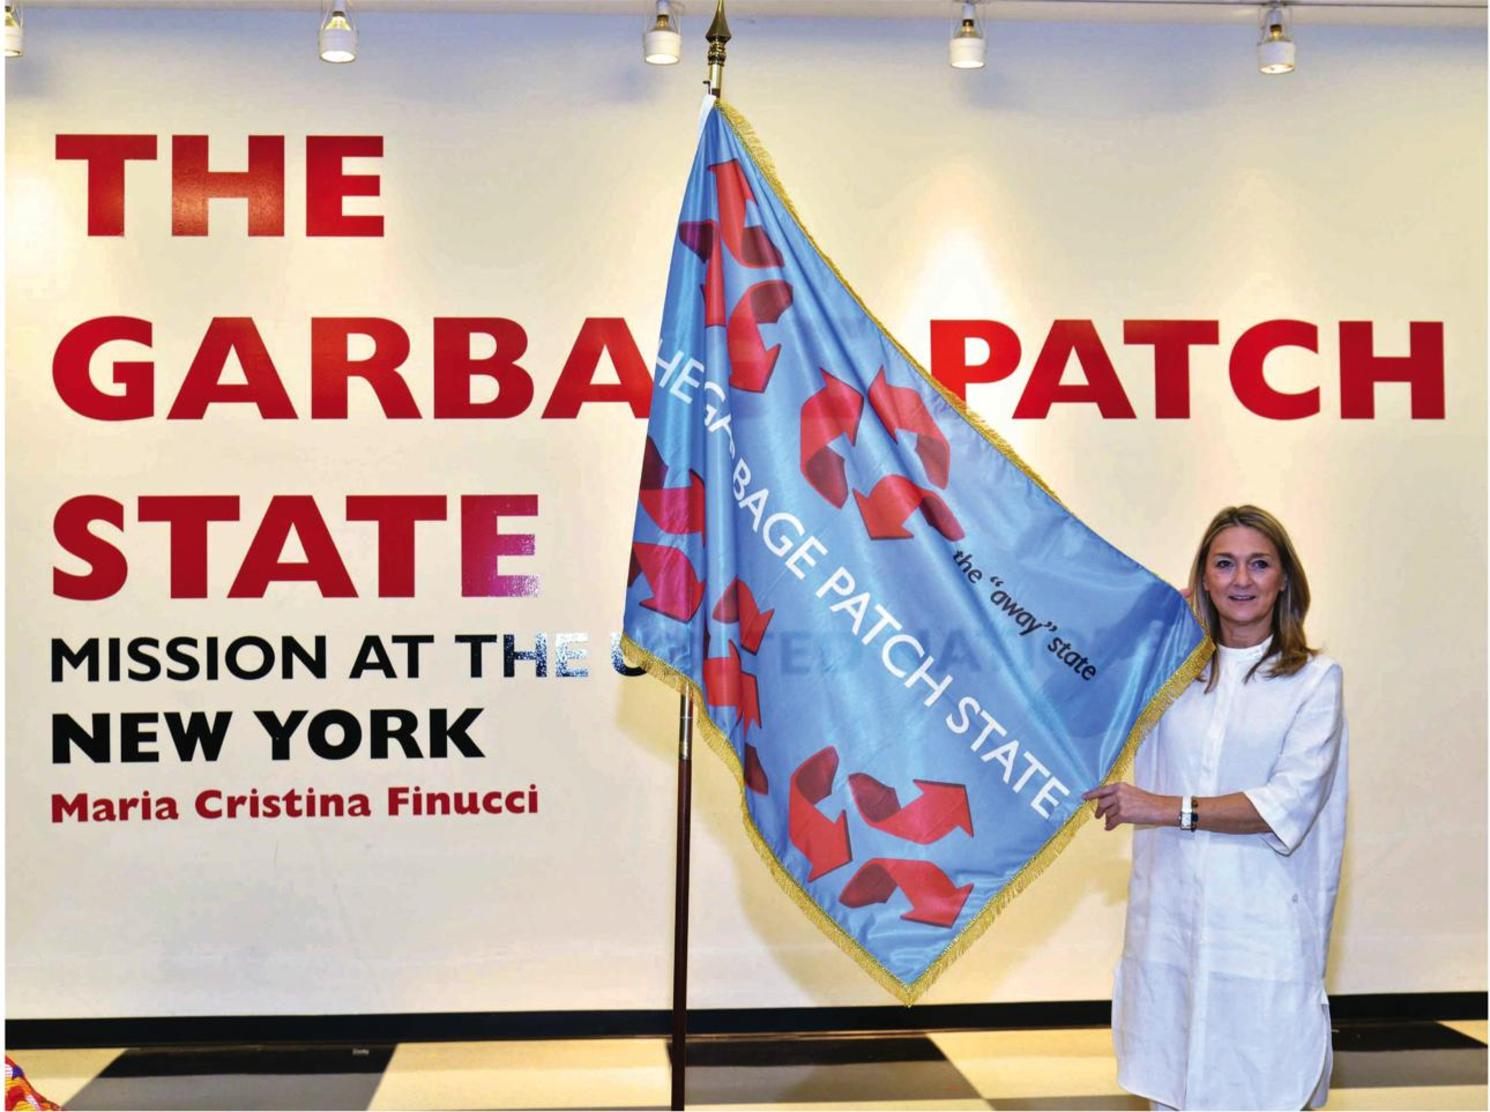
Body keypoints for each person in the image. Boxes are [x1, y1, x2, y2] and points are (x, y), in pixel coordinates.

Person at [1082, 505, 1348, 1111]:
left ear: (1285, 579)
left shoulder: (1314, 680)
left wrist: (1164, 808)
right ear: (1202, 577)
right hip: (1170, 930)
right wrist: (1152, 622)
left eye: (1260, 564)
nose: (1242, 581)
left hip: (1261, 935)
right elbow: (1085, 680)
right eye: (1223, 564)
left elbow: (1286, 803)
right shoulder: (1169, 676)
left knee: (1261, 1086)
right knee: (1173, 1083)